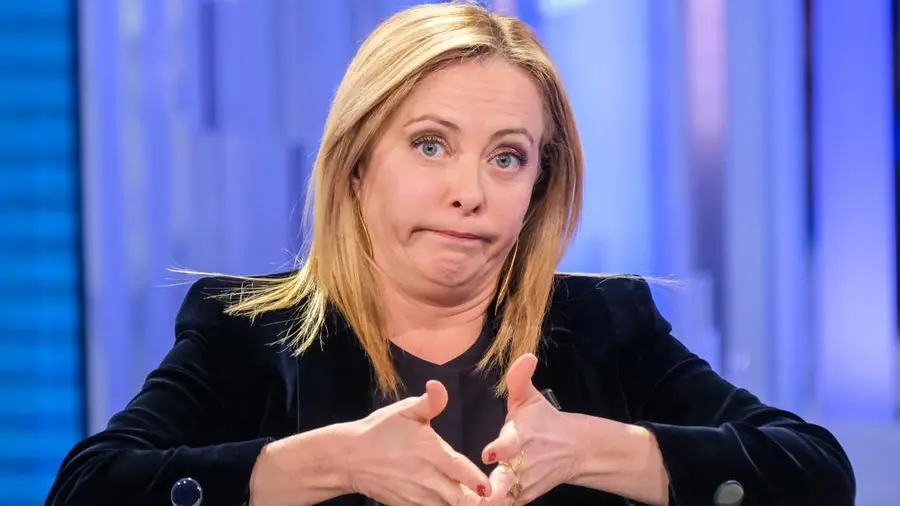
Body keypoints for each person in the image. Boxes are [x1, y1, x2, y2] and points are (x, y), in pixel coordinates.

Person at [46, 2, 855, 506]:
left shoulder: (606, 323)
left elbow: (817, 474)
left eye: (507, 157)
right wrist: (335, 464)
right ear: (357, 164)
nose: (470, 191)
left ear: (537, 187)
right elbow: (87, 489)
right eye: (431, 145)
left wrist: (598, 449)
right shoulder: (247, 331)